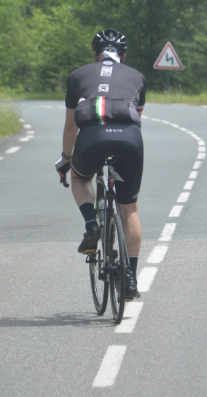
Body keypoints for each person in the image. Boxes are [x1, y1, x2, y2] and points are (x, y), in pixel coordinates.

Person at [55, 28, 146, 300]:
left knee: (80, 176)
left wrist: (66, 159)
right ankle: (129, 279)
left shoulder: (77, 75)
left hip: (91, 137)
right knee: (129, 210)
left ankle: (92, 224)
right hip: (130, 140)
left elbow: (71, 126)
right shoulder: (138, 76)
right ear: (124, 56)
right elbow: (138, 119)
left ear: (95, 56)